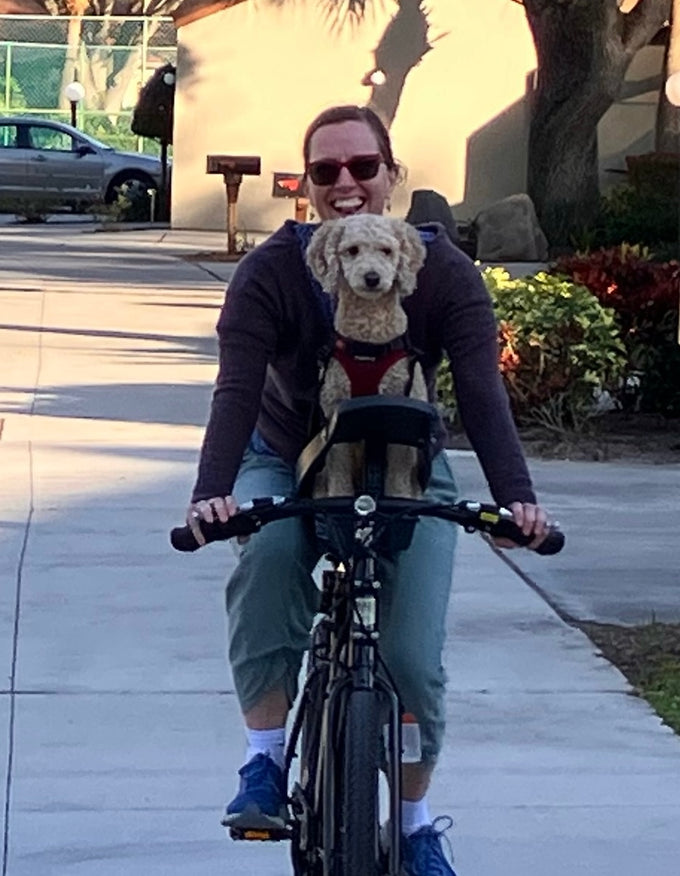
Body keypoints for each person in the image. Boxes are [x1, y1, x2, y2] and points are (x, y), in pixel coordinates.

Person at [186, 104, 550, 876]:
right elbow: (237, 387)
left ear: (392, 174)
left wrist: (516, 498)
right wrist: (211, 493)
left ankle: (414, 826)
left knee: (413, 656)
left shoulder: (441, 270)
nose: (345, 182)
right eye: (326, 170)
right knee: (270, 557)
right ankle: (264, 758)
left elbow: (481, 390)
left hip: (407, 460)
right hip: (286, 452)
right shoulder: (270, 271)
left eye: (362, 166)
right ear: (307, 184)